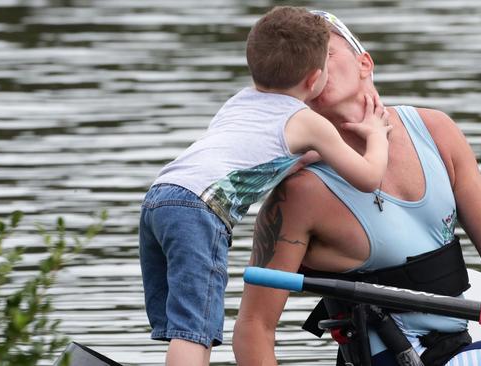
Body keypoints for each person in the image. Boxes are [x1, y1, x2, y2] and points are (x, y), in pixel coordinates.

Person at [232, 10, 481, 366]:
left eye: (325, 50)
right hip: (404, 357)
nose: (314, 63)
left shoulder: (435, 131)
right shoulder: (299, 194)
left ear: (364, 63)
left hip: (463, 342)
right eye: (302, 58)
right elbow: (255, 325)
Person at [138, 6, 392, 366]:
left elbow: (252, 155)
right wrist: (377, 135)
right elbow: (368, 178)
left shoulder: (238, 102)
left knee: (177, 323)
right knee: (193, 330)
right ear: (314, 78)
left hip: (159, 197)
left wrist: (306, 159)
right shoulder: (306, 121)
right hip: (199, 209)